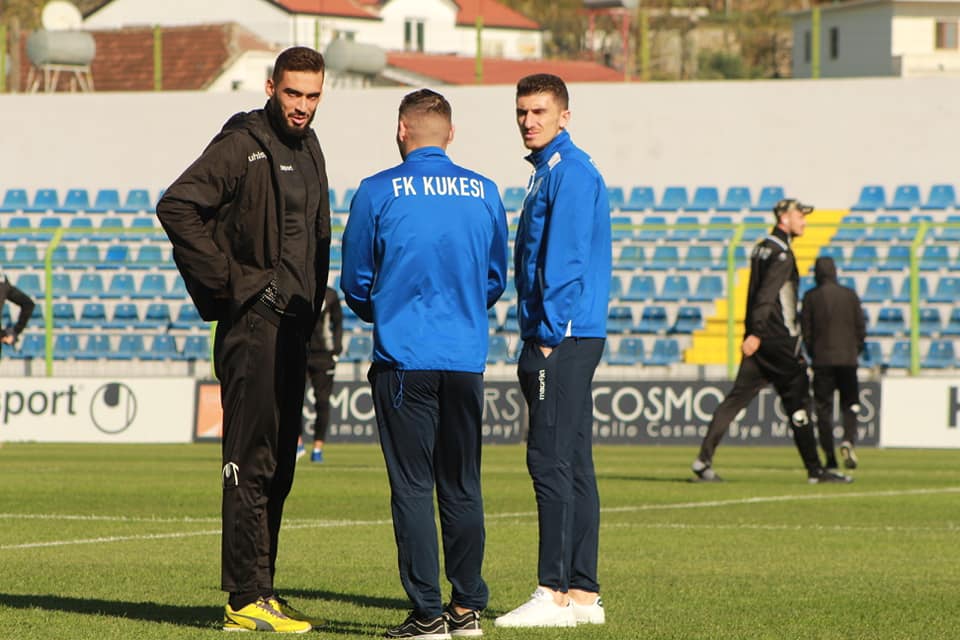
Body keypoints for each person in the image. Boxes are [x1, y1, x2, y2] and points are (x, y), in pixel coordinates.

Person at [156, 46, 331, 634]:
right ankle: (241, 598)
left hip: (293, 331)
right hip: (253, 327)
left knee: (279, 466)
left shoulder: (310, 149)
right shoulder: (242, 144)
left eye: (312, 95)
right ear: (269, 86)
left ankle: (263, 591)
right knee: (249, 465)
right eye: (293, 93)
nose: (302, 106)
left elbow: (316, 237)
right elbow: (177, 205)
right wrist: (232, 285)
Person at [340, 88, 508, 639]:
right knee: (462, 484)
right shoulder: (484, 191)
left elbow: (356, 283)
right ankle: (467, 609)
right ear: (451, 134)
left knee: (412, 485)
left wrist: (385, 309)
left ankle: (428, 613)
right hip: (464, 358)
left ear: (401, 130)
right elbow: (494, 279)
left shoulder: (376, 191)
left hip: (403, 358)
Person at [494, 74, 611, 629]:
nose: (528, 120)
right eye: (522, 111)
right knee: (575, 461)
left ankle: (553, 593)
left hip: (561, 335)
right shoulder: (548, 173)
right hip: (568, 331)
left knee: (548, 459)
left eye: (539, 111)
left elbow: (563, 261)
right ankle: (583, 595)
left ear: (564, 115)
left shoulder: (570, 172)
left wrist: (546, 333)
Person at [690, 199, 853, 485]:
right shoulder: (781, 254)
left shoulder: (761, 247)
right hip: (777, 341)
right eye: (799, 215)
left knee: (735, 400)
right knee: (799, 401)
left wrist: (752, 333)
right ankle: (816, 470)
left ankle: (703, 460)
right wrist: (757, 332)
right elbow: (766, 295)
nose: (804, 221)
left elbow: (755, 294)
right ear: (783, 218)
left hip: (760, 340)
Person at [801, 255, 866, 470]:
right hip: (848, 359)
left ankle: (829, 457)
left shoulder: (811, 297)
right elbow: (860, 329)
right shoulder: (850, 295)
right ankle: (848, 439)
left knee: (823, 410)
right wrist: (854, 351)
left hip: (822, 360)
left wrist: (814, 354)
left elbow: (806, 331)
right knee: (851, 404)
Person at [306, 285, 343, 463]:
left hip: (324, 356)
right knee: (290, 400)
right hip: (300, 352)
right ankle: (296, 444)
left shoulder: (330, 295)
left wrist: (336, 350)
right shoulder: (300, 288)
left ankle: (317, 448)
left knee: (322, 402)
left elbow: (338, 323)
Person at [0, 273, 35, 356]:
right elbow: (28, 304)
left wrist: (13, 332)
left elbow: (28, 304)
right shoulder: (4, 284)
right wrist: (13, 332)